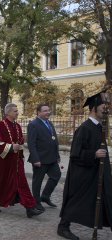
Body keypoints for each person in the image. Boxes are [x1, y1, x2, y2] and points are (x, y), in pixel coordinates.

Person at [57, 92, 112, 240]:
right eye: (103, 106)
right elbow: (75, 154)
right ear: (94, 108)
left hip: (95, 173)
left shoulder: (99, 127)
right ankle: (63, 227)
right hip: (83, 174)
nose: (106, 109)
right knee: (76, 201)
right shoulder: (84, 128)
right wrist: (94, 154)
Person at [0, 103, 43, 218]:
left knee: (22, 184)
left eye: (17, 111)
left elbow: (20, 140)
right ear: (8, 113)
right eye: (15, 111)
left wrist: (19, 145)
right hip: (2, 162)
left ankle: (30, 208)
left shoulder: (17, 126)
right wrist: (10, 147)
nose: (17, 113)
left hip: (16, 162)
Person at [27, 104, 61, 212]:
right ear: (38, 112)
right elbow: (31, 144)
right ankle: (36, 202)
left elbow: (54, 140)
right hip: (40, 159)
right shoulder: (33, 124)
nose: (48, 112)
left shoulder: (49, 123)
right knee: (38, 181)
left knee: (56, 175)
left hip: (52, 158)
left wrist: (57, 155)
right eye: (45, 110)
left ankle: (45, 196)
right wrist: (35, 159)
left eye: (49, 110)